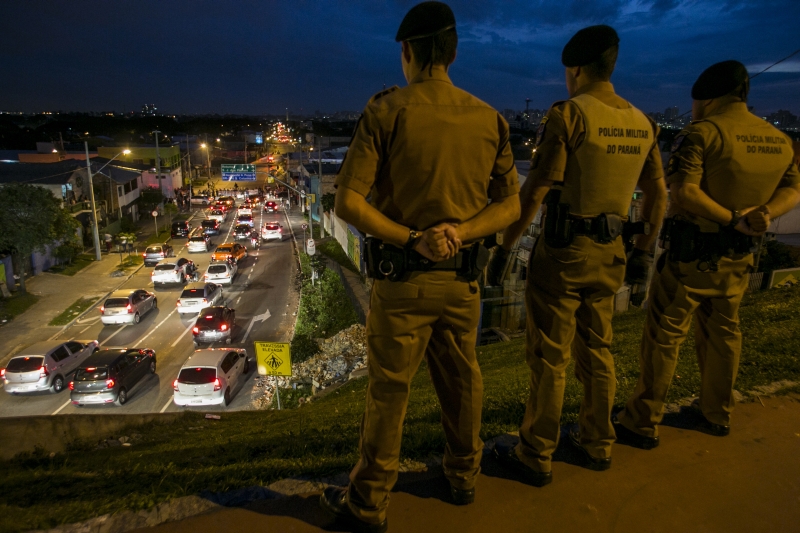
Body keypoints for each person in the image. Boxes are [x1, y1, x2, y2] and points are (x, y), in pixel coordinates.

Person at [318, 2, 520, 532]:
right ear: (453, 53)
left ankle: (369, 504)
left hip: (403, 281)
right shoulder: (489, 117)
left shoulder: (387, 111)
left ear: (407, 54)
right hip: (461, 282)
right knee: (462, 382)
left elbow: (348, 204)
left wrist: (414, 238)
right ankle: (463, 477)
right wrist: (460, 233)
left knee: (389, 391)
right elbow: (510, 207)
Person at [491, 25, 667, 484]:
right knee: (599, 349)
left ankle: (536, 453)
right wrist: (645, 249)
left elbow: (535, 190)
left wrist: (504, 248)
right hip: (612, 253)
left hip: (565, 252)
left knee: (551, 356)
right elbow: (658, 196)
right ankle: (597, 441)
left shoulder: (569, 114)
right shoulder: (642, 121)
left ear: (575, 70)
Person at [614, 61, 800, 448]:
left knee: (664, 336)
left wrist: (732, 219)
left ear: (708, 99)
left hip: (692, 257)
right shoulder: (778, 140)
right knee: (724, 334)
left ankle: (642, 420)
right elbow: (793, 191)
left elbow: (684, 192)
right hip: (739, 259)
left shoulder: (701, 134)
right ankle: (717, 413)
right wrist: (763, 215)